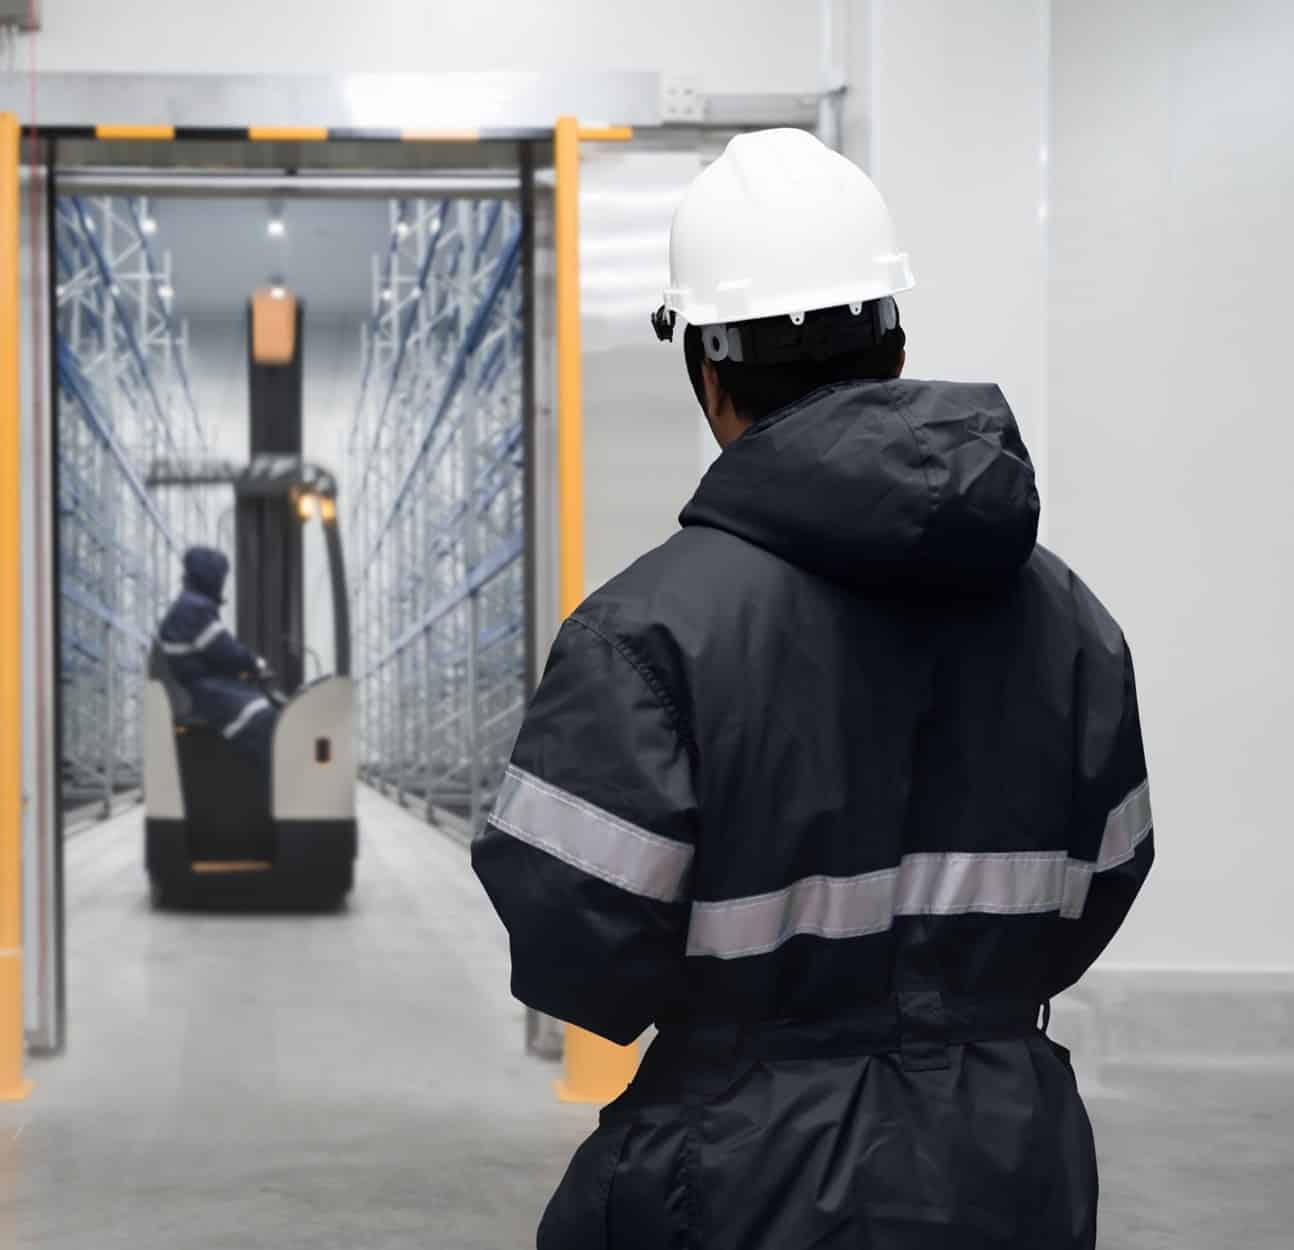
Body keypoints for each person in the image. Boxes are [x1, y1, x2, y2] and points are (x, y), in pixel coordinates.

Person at [473, 128, 1151, 1250]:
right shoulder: (1069, 620)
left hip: (736, 1177)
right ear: (893, 341)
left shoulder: (647, 636)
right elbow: (1103, 879)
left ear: (707, 370)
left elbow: (576, 955)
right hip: (1004, 1159)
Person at [157, 547, 277, 766]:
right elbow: (227, 651)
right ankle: (267, 789)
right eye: (221, 576)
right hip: (208, 692)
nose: (223, 581)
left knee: (261, 714)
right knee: (263, 718)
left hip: (204, 687)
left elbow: (219, 651)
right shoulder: (194, 608)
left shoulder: (189, 605)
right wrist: (256, 664)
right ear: (209, 575)